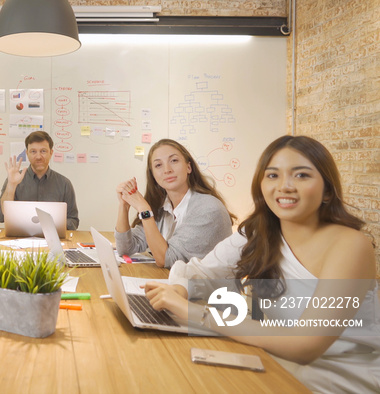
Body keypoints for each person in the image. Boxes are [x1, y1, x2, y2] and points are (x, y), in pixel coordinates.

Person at [144, 135, 379, 392]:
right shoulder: (258, 234)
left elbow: (306, 345)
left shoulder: (351, 246)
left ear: (327, 191)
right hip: (278, 361)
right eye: (273, 175)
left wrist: (194, 313)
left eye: (301, 175)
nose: (285, 186)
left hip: (339, 378)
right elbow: (201, 270)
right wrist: (180, 290)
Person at [115, 139, 235, 268]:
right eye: (158, 165)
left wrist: (144, 210)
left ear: (189, 167)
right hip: (174, 284)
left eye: (174, 161)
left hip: (205, 287)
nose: (167, 170)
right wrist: (123, 205)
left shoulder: (208, 209)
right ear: (153, 175)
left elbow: (167, 259)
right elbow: (125, 248)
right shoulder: (162, 207)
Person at [0, 130, 79, 230]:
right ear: (27, 153)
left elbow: (73, 221)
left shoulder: (64, 183)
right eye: (33, 151)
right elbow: (0, 216)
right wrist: (11, 185)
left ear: (51, 153)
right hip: (19, 239)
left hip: (53, 238)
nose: (38, 157)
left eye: (43, 151)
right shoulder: (14, 179)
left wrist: (52, 224)